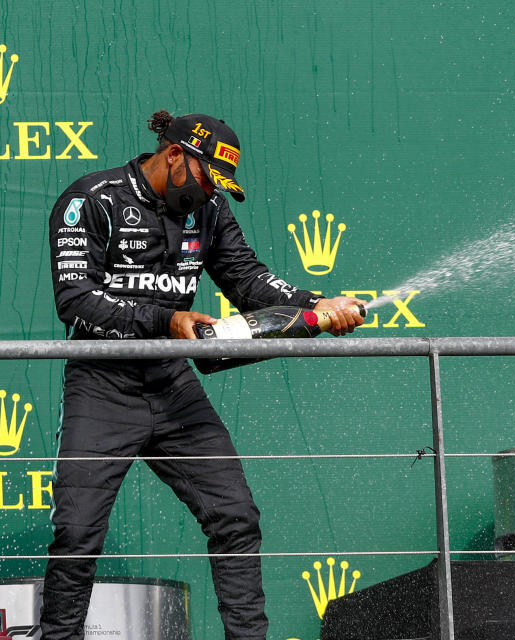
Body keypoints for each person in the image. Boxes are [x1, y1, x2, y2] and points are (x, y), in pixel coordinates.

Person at [42, 110, 364, 640]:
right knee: (77, 533)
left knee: (236, 518)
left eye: (219, 185)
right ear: (174, 155)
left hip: (172, 384)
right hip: (102, 383)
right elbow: (75, 303)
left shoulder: (210, 209)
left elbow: (247, 278)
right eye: (207, 177)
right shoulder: (89, 199)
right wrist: (166, 320)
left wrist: (316, 306)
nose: (210, 192)